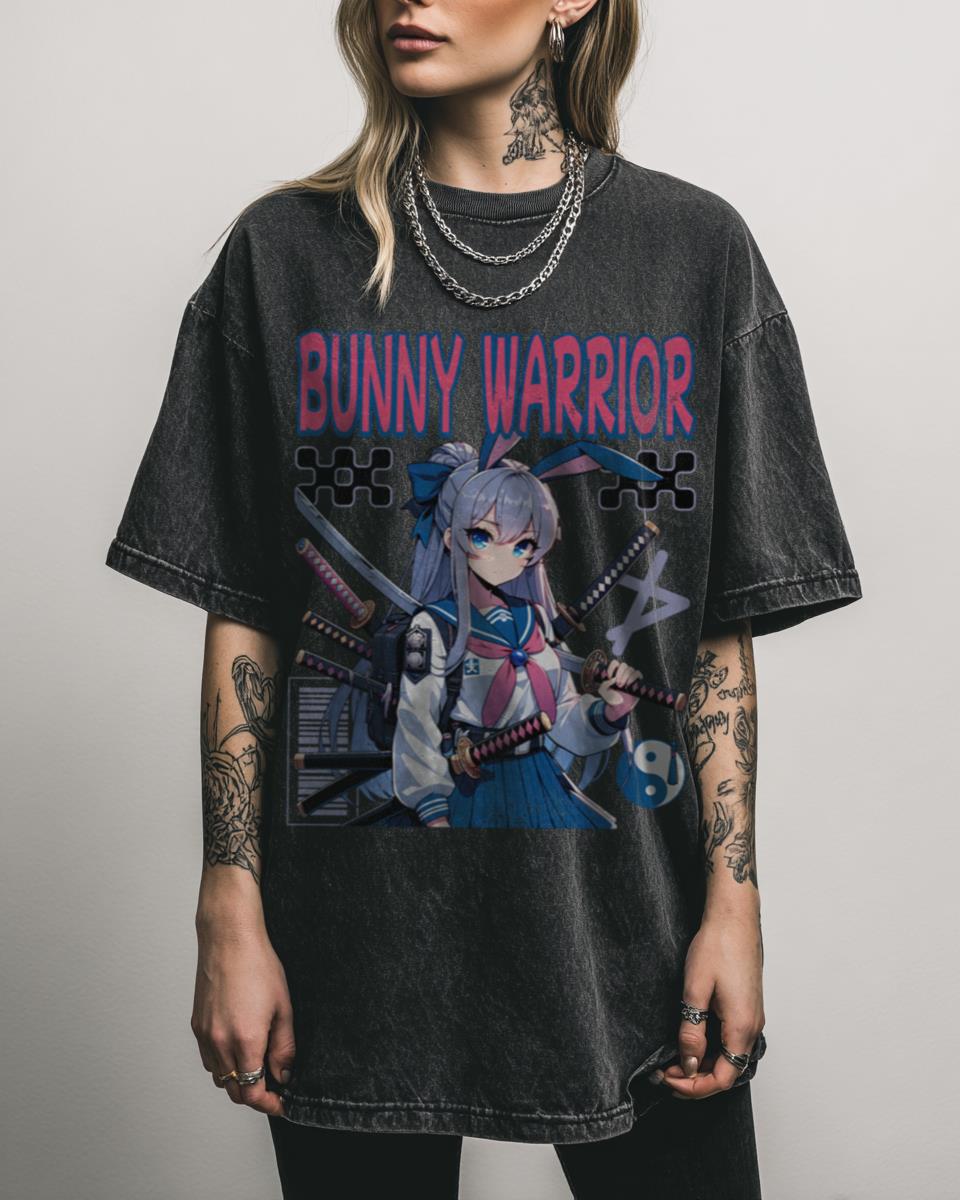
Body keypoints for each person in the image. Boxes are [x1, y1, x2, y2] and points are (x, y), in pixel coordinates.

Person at [104, 0, 863, 1196]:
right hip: (353, 955)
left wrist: (735, 901)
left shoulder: (694, 252)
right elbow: (245, 611)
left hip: (633, 941)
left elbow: (715, 635)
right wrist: (229, 905)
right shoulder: (284, 255)